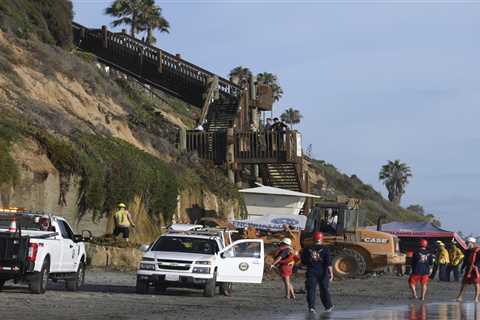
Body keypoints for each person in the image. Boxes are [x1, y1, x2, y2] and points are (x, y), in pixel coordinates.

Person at [301, 231, 334, 313]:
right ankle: (328, 306)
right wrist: (331, 273)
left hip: (311, 271)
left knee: (311, 290)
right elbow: (328, 262)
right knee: (324, 289)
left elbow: (303, 261)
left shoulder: (306, 249)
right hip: (323, 271)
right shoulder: (326, 249)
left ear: (313, 239)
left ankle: (311, 307)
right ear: (322, 239)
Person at [456, 237, 480, 302]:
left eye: (467, 243)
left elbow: (479, 261)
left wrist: (476, 266)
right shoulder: (467, 251)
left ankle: (476, 298)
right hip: (468, 268)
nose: (466, 244)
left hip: (476, 269)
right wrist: (462, 268)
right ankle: (460, 297)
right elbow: (465, 261)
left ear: (472, 243)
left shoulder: (478, 251)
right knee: (464, 283)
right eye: (466, 243)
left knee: (476, 284)